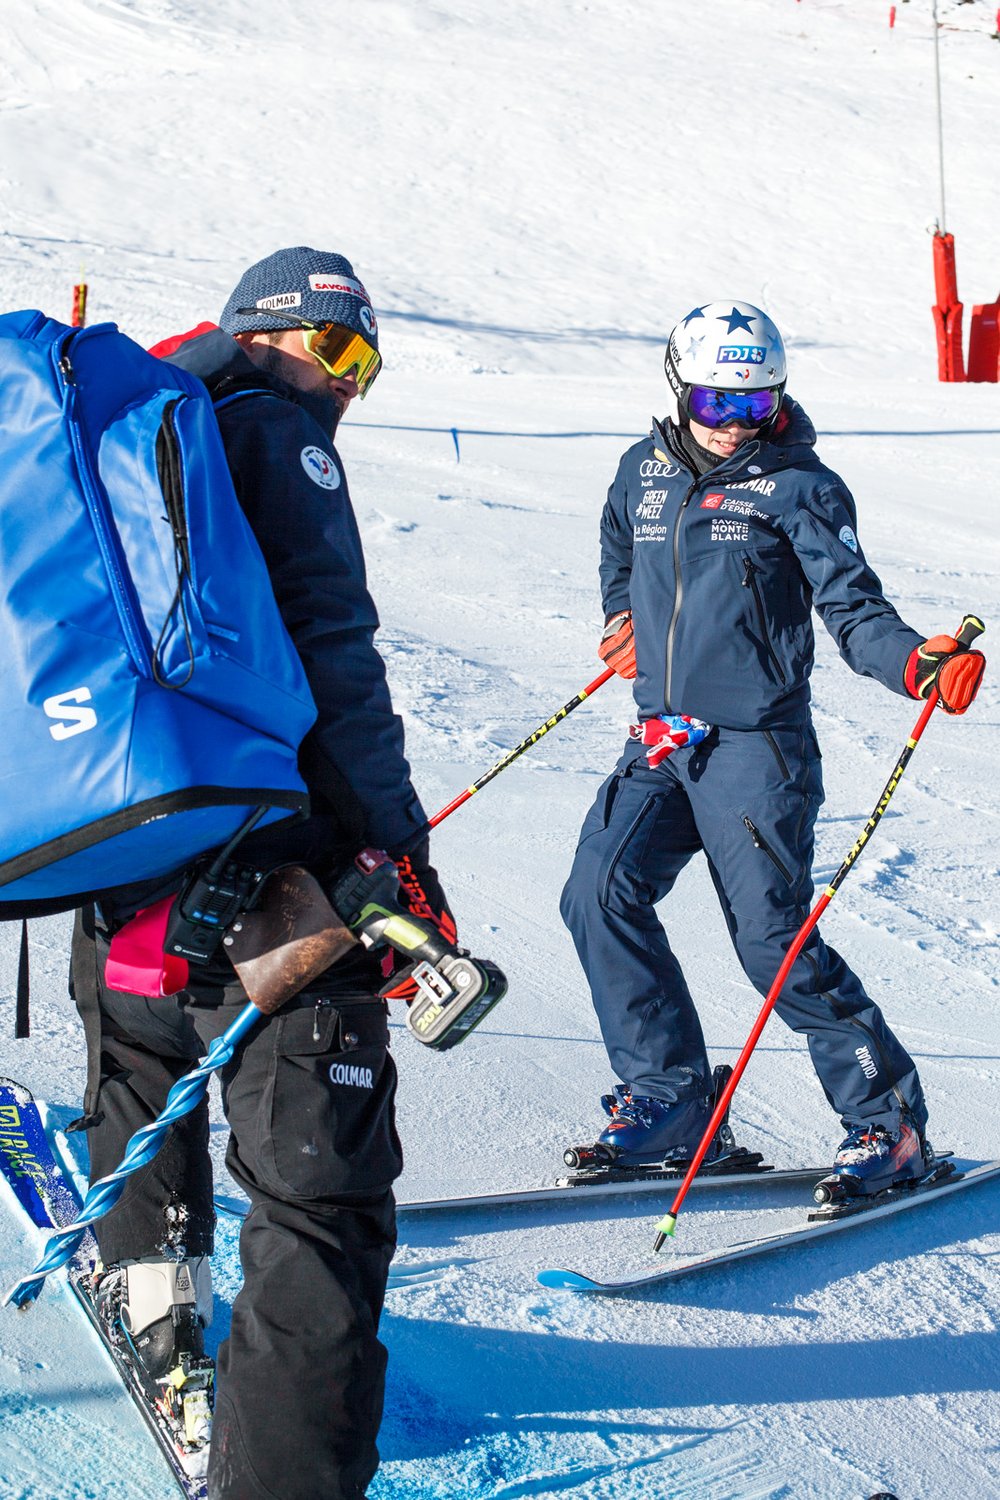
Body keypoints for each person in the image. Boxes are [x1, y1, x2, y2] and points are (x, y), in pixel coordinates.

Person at [69, 247, 454, 1499]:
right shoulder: (276, 436)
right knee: (319, 1204)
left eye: (364, 362)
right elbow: (335, 659)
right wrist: (399, 848)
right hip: (280, 898)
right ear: (263, 333)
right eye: (330, 349)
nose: (342, 385)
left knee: (141, 1080)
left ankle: (158, 1326)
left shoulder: (132, 430)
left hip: (128, 865)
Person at [560, 300, 985, 1196]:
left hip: (757, 749)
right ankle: (669, 1103)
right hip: (661, 735)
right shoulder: (642, 470)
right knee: (597, 895)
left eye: (755, 407)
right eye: (717, 403)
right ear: (680, 389)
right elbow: (618, 547)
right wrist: (619, 616)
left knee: (771, 944)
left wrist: (914, 663)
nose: (734, 426)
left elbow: (852, 606)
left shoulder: (802, 486)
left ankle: (888, 1123)